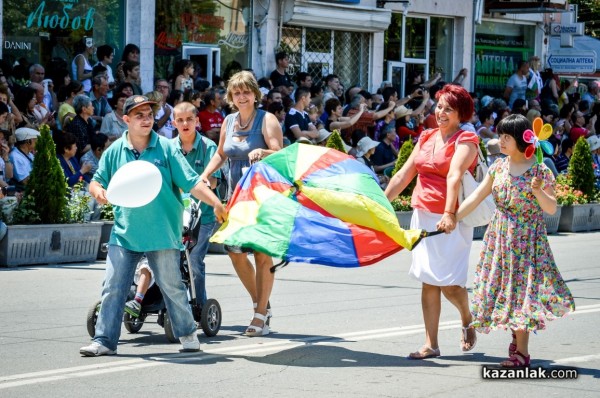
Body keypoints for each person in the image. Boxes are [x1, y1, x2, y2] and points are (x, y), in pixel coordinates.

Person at [80, 95, 227, 356]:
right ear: (126, 120)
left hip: (162, 233)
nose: (146, 119)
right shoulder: (116, 150)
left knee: (172, 287)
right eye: (139, 115)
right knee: (113, 287)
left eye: (149, 114)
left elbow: (192, 182)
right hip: (125, 233)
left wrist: (216, 203)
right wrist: (98, 191)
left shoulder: (167, 149)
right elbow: (97, 180)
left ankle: (187, 333)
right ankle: (104, 340)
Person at [454, 114, 575, 367]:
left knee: (522, 294)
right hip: (499, 239)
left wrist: (537, 190)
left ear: (522, 139)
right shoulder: (498, 167)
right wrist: (452, 217)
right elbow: (476, 196)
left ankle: (521, 353)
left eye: (506, 136)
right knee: (504, 291)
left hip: (526, 241)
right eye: (500, 135)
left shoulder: (540, 169)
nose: (501, 141)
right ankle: (516, 340)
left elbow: (551, 208)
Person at [385, 84, 479, 359]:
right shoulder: (426, 137)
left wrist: (449, 213)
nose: (441, 112)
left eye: (448, 109)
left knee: (449, 284)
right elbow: (402, 176)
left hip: (452, 218)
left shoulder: (467, 140)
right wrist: (379, 203)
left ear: (461, 113)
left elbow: (454, 175)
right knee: (428, 280)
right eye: (439, 106)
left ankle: (467, 317)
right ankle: (431, 344)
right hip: (423, 214)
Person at [199, 71, 283, 337]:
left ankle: (259, 315)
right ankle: (262, 304)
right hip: (236, 197)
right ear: (231, 97)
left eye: (246, 91)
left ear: (255, 94)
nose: (242, 96)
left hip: (262, 197)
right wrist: (204, 174)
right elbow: (221, 153)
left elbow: (280, 154)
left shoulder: (266, 119)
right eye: (237, 93)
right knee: (235, 252)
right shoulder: (229, 121)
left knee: (261, 253)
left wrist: (264, 152)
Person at [65, 94, 95, 160]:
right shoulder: (77, 125)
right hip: (81, 159)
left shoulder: (88, 120)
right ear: (84, 109)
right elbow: (82, 149)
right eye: (91, 106)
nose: (93, 108)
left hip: (91, 154)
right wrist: (98, 143)